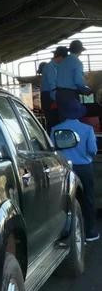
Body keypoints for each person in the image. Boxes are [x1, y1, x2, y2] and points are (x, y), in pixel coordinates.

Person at [51, 99, 99, 242]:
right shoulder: (87, 129)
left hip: (64, 168)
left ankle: (67, 234)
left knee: (65, 200)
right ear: (79, 114)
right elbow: (92, 150)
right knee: (88, 199)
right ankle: (90, 233)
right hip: (84, 168)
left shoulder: (55, 130)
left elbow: (52, 150)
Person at [55, 39, 92, 109]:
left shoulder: (63, 61)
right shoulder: (77, 62)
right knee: (73, 116)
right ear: (80, 51)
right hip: (70, 95)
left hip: (59, 94)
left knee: (63, 118)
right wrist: (87, 91)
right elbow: (78, 82)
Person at [38, 47, 66, 129]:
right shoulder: (50, 67)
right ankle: (52, 140)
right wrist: (57, 99)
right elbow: (52, 85)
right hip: (49, 97)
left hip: (50, 96)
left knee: (54, 122)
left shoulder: (54, 67)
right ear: (61, 57)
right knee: (53, 123)